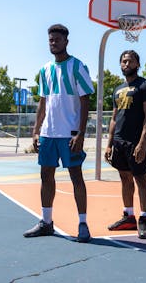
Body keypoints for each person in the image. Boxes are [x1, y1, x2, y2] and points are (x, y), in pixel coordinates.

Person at [23, 24, 94, 243]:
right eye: (50, 40)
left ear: (66, 41)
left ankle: (82, 224)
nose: (53, 42)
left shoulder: (77, 66)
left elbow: (85, 101)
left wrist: (80, 133)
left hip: (70, 133)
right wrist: (36, 131)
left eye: (57, 39)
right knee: (46, 176)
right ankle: (46, 222)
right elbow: (42, 102)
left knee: (76, 177)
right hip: (48, 133)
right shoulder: (44, 70)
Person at [104, 50, 146, 239]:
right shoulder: (117, 89)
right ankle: (128, 216)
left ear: (137, 64)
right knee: (124, 178)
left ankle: (144, 219)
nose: (126, 64)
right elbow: (113, 117)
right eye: (123, 61)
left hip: (136, 141)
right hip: (119, 141)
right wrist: (109, 143)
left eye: (130, 61)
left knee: (141, 179)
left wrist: (142, 142)